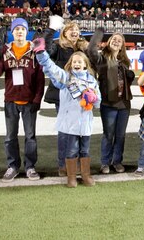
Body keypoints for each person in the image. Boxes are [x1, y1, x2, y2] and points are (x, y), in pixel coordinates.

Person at [34, 41, 101, 188]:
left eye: (80, 61)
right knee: (71, 150)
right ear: (71, 64)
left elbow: (98, 103)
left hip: (86, 124)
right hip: (71, 123)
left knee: (85, 150)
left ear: (85, 65)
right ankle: (71, 177)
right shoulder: (66, 78)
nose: (77, 63)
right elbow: (52, 69)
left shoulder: (92, 81)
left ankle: (85, 175)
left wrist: (94, 98)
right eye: (74, 61)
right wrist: (41, 54)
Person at [0, 18, 45, 182]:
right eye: (16, 29)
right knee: (10, 137)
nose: (19, 31)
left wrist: (37, 99)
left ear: (26, 31)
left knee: (30, 136)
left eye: (22, 29)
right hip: (11, 100)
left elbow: (40, 79)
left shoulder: (34, 50)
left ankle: (30, 166)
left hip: (29, 101)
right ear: (12, 32)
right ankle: (13, 166)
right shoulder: (5, 50)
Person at [43, 17, 88, 176]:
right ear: (64, 33)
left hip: (80, 97)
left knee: (79, 130)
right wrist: (50, 30)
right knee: (64, 131)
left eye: (76, 29)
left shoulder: (83, 50)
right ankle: (63, 164)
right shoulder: (57, 47)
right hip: (62, 95)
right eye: (71, 29)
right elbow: (46, 51)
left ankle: (75, 163)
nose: (74, 32)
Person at [86, 28, 135, 174]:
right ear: (108, 42)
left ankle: (117, 161)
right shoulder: (101, 59)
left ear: (122, 46)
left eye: (119, 41)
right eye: (114, 39)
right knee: (108, 135)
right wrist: (99, 33)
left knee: (120, 135)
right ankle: (105, 162)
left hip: (124, 104)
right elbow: (91, 50)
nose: (116, 41)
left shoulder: (125, 61)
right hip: (108, 104)